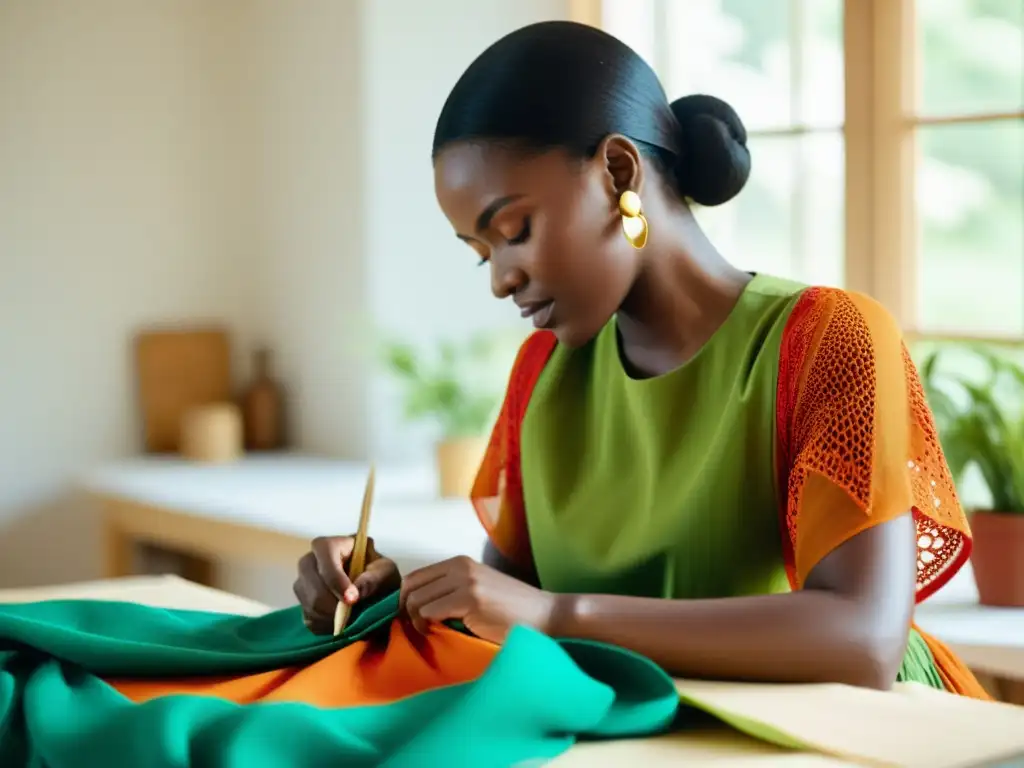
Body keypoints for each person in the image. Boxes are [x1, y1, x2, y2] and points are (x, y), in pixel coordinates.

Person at [293, 20, 987, 698]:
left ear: (618, 170)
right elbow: (507, 615)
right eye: (482, 253)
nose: (500, 278)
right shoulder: (543, 371)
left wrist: (561, 616)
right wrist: (386, 596)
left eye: (514, 231)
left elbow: (862, 641)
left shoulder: (828, 337)